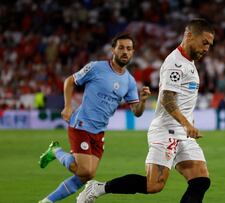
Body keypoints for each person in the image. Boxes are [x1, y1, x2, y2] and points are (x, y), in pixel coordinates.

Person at [77, 18, 215, 203]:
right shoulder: (176, 63)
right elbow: (167, 99)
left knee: (200, 181)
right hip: (166, 132)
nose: (206, 48)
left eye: (209, 45)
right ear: (189, 36)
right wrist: (187, 124)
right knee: (154, 185)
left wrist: (186, 126)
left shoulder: (188, 63)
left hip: (183, 133)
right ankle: (98, 188)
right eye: (204, 43)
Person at [38, 34, 151, 203]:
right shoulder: (96, 67)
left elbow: (136, 112)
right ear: (113, 50)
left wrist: (141, 101)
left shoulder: (130, 81)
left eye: (128, 49)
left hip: (99, 131)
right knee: (85, 171)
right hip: (81, 123)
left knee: (85, 176)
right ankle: (56, 151)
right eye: (121, 48)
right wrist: (68, 106)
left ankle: (47, 201)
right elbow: (69, 81)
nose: (125, 52)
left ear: (133, 52)